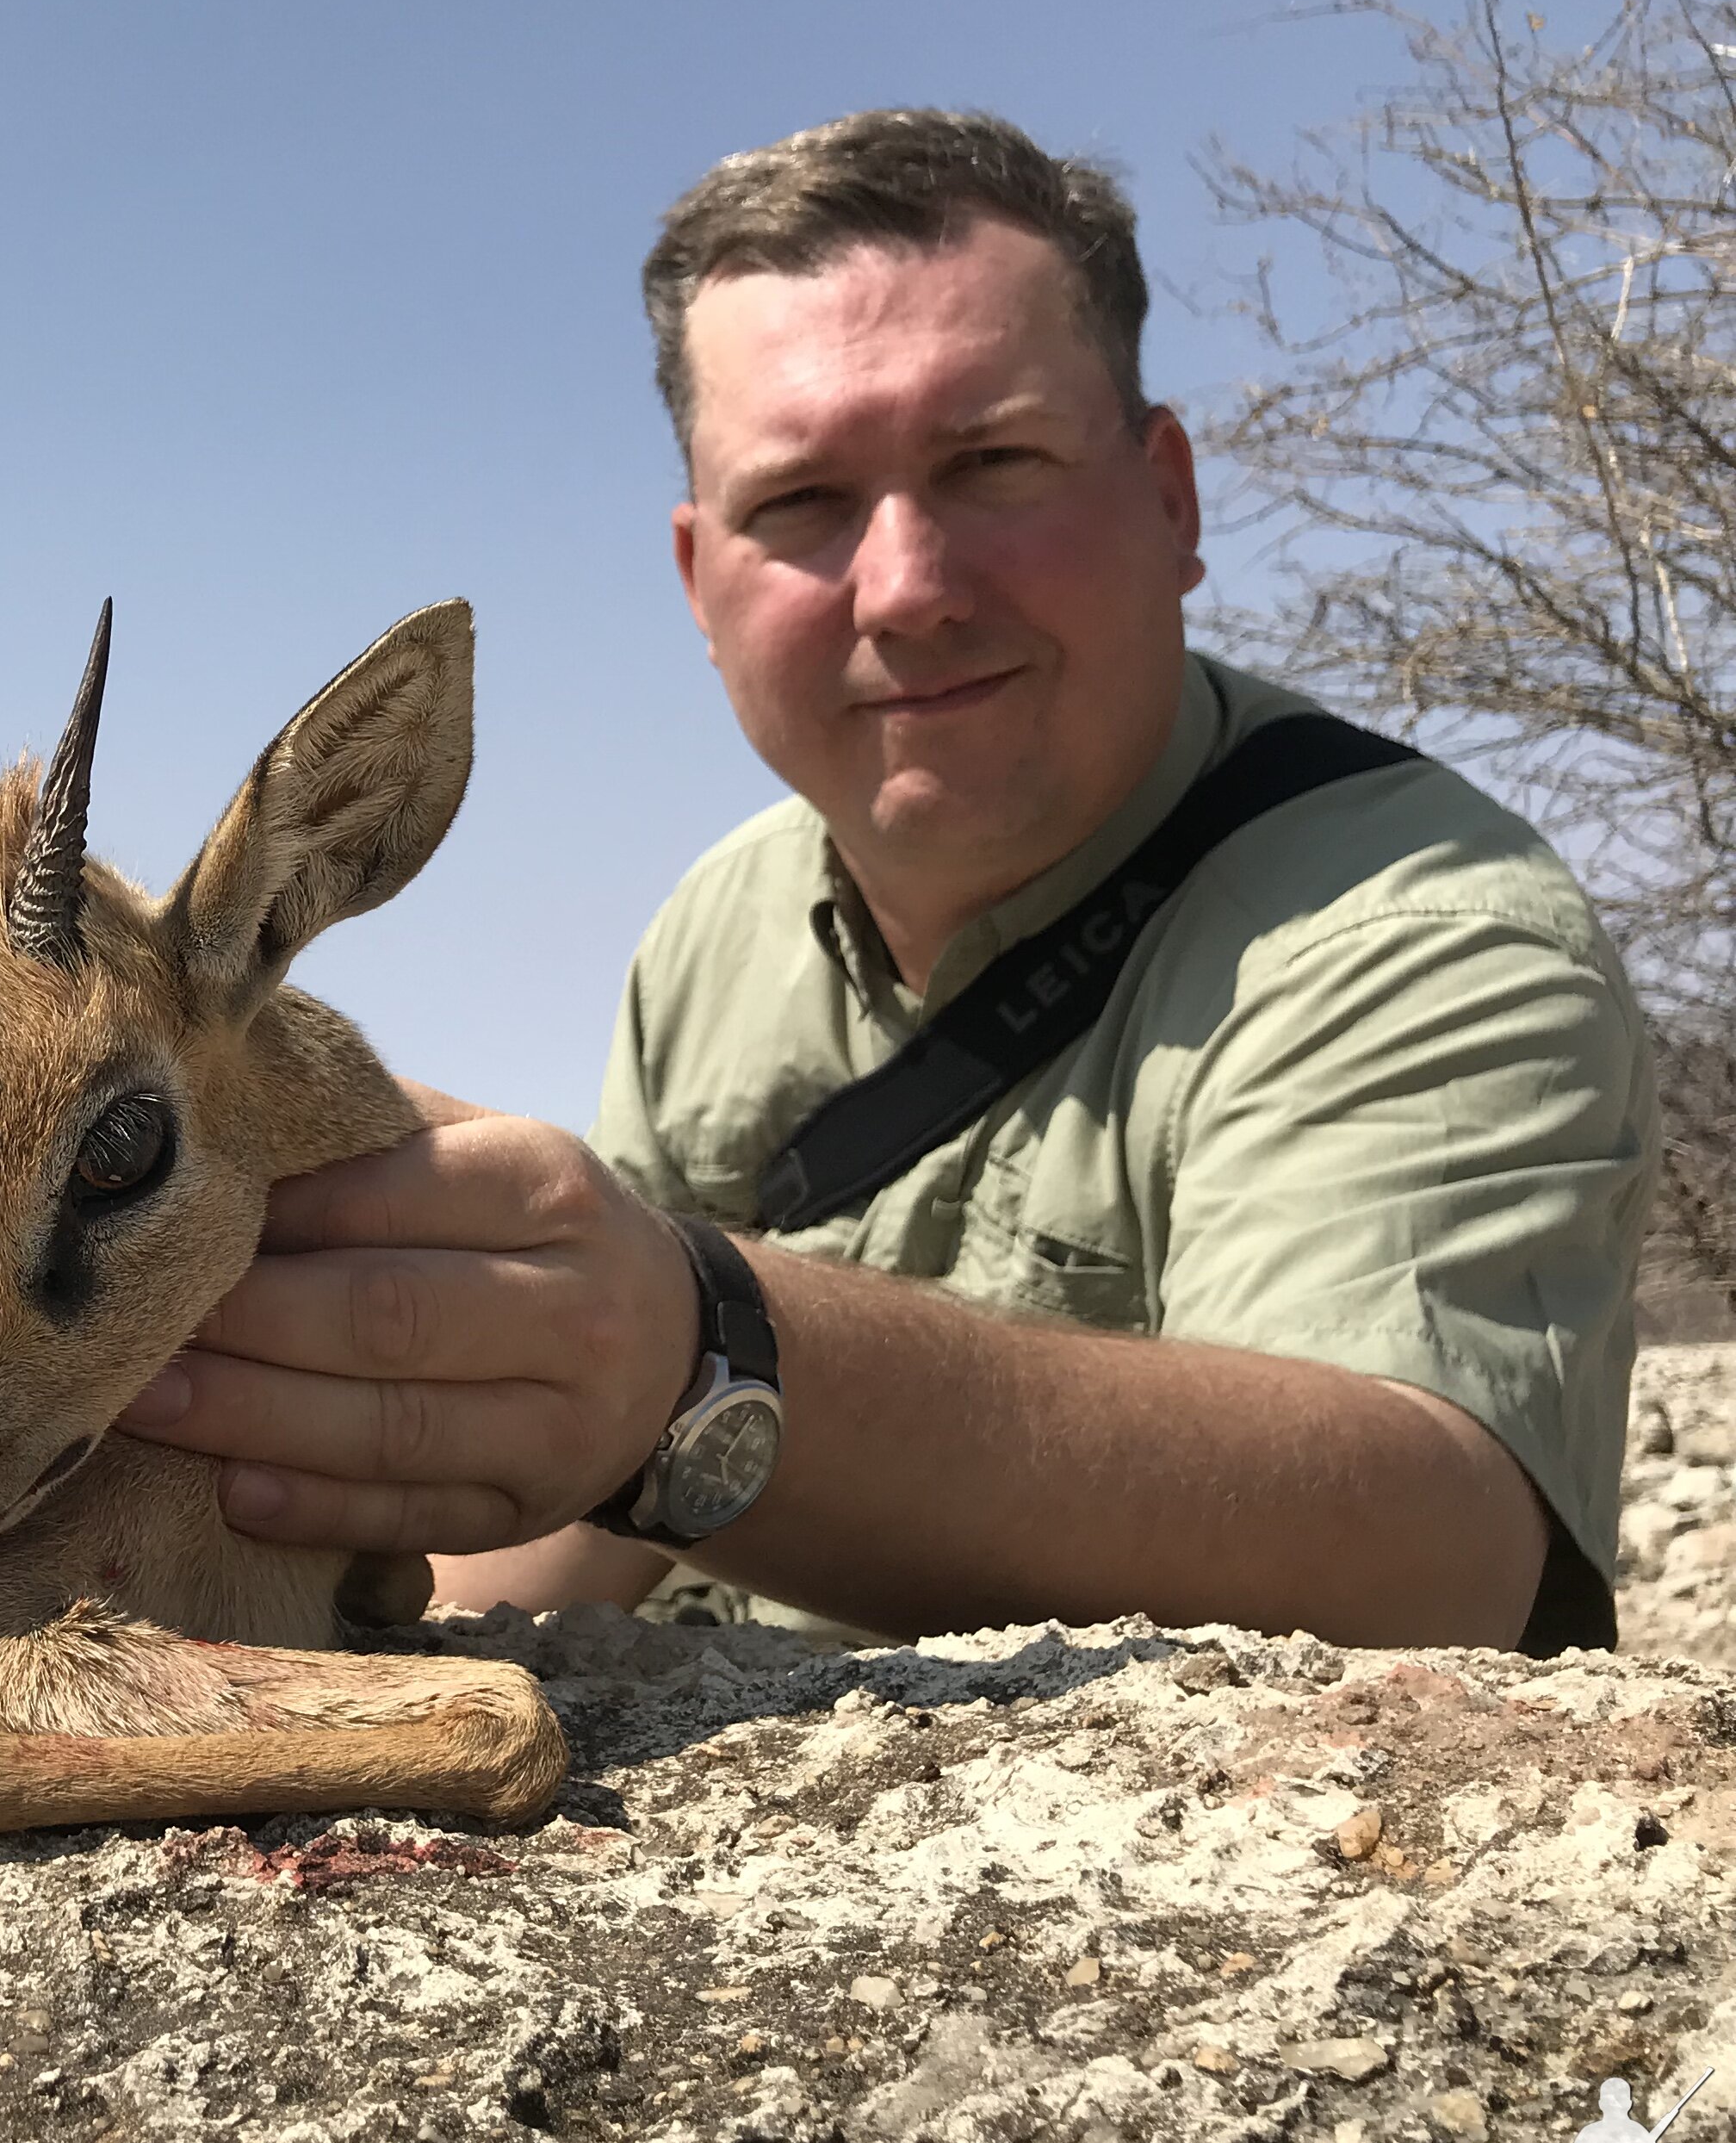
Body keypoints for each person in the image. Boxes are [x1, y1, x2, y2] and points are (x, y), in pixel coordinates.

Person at [115, 107, 1651, 1654]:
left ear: (1170, 498)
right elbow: (591, 1498)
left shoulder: (1420, 924)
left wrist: (704, 1355)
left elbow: (1437, 1547)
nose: (907, 589)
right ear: (697, 581)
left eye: (992, 462)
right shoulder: (719, 925)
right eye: (800, 506)